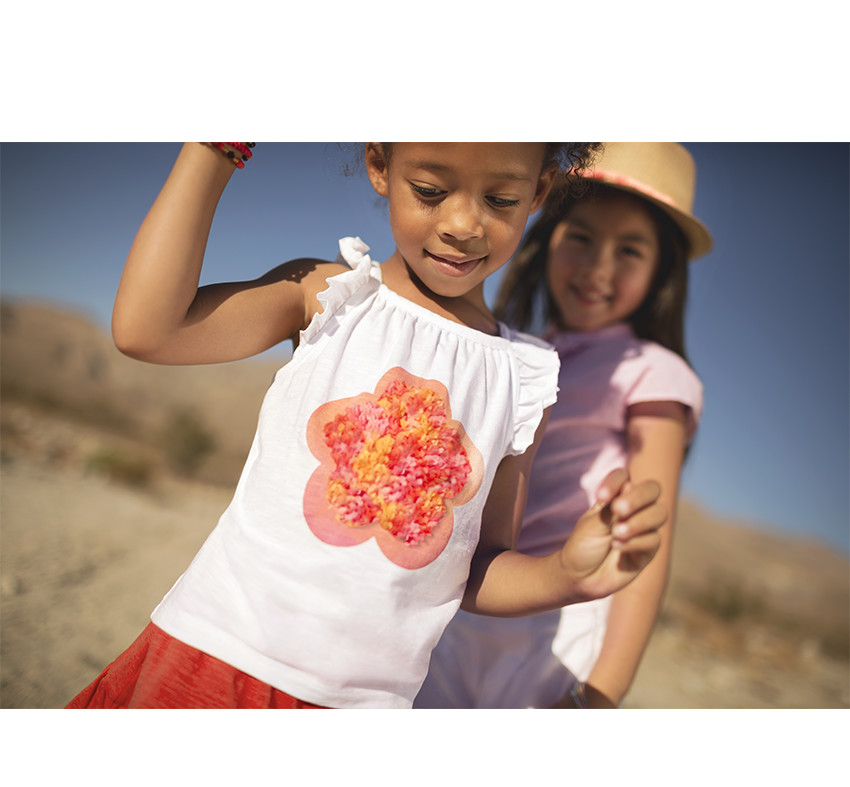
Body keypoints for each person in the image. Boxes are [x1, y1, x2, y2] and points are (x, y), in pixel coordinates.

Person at [66, 142, 667, 710]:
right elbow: (148, 330)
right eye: (431, 190)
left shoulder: (523, 379)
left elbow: (475, 567)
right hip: (216, 655)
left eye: (501, 200)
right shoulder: (332, 297)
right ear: (380, 166)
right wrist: (216, 146)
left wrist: (565, 575)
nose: (464, 223)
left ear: (539, 194)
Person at [414, 142, 712, 709]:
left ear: (661, 272)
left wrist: (602, 694)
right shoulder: (516, 354)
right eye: (581, 237)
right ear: (548, 233)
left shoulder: (655, 372)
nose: (599, 267)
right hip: (467, 605)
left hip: (559, 626)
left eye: (630, 250)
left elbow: (646, 551)